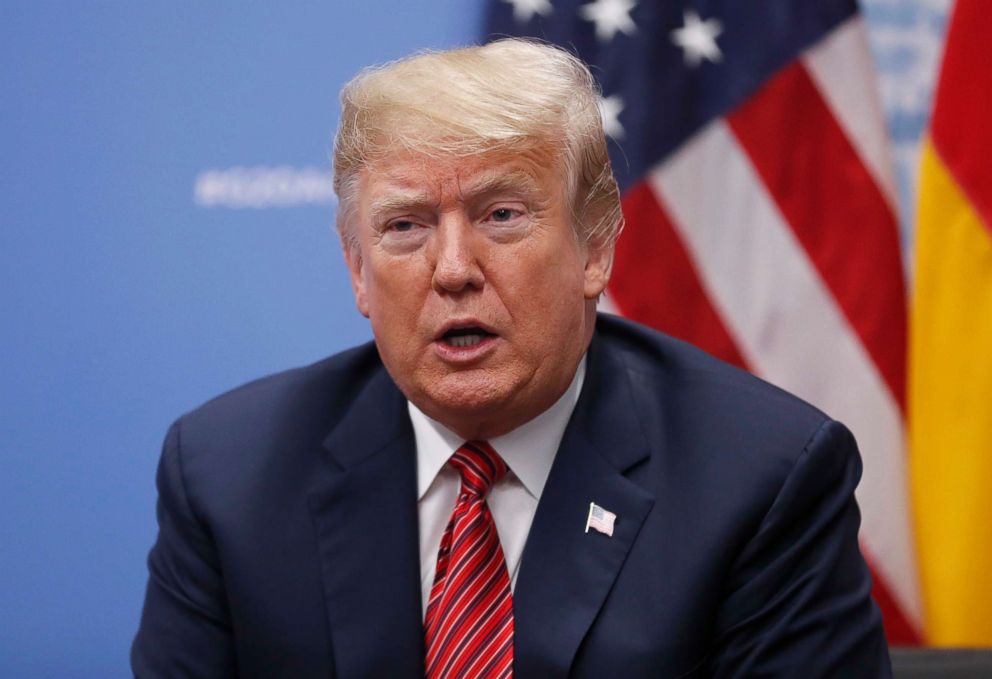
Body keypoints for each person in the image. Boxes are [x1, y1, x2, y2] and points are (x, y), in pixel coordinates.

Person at [132, 39, 891, 677]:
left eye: (501, 215)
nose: (453, 267)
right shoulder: (229, 477)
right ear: (357, 269)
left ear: (595, 247)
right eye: (405, 226)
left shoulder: (761, 478)